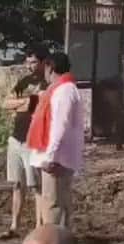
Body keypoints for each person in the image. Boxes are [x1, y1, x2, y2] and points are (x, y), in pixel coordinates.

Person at [27, 51, 84, 228]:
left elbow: (60, 126)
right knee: (60, 204)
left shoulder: (64, 90)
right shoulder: (63, 89)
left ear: (50, 67)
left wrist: (50, 157)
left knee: (53, 205)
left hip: (57, 160)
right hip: (60, 157)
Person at [0, 48, 49, 238]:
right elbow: (6, 103)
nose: (30, 66)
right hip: (15, 138)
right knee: (17, 184)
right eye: (28, 62)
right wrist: (24, 102)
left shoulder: (46, 83)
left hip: (32, 140)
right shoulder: (25, 81)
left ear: (43, 62)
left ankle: (39, 226)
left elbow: (35, 104)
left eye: (34, 62)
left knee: (35, 186)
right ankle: (14, 226)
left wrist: (21, 103)